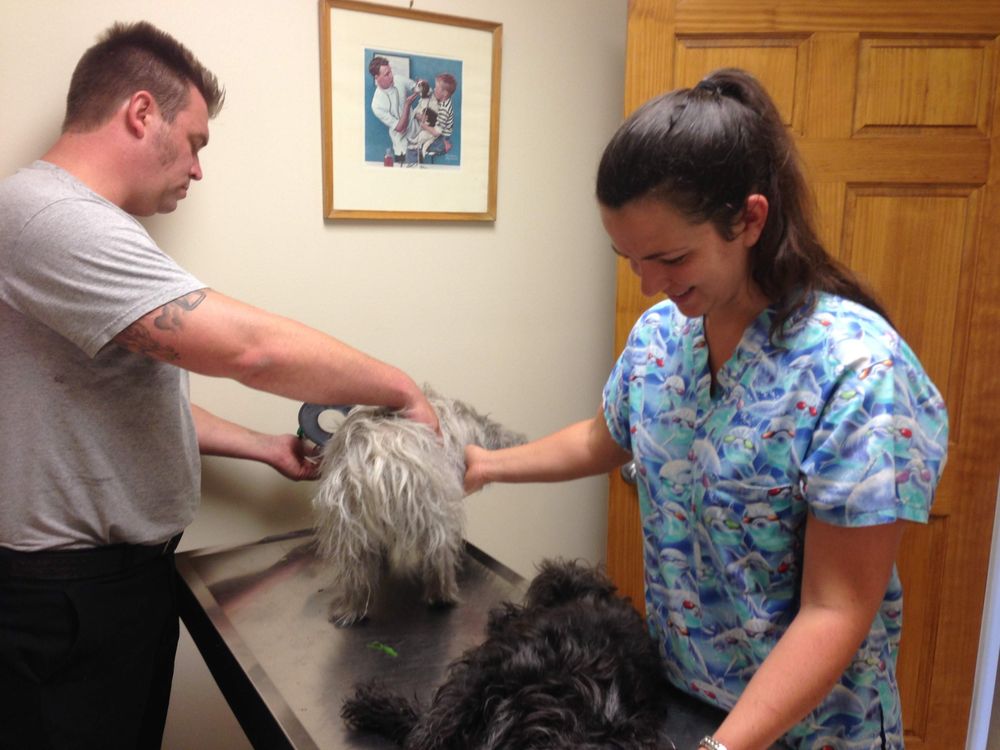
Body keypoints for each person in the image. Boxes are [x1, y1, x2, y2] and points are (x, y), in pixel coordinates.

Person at [464, 68, 947, 750]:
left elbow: (836, 609)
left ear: (749, 219)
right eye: (629, 258)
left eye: (670, 257)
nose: (648, 284)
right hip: (681, 706)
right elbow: (606, 438)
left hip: (811, 733)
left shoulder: (858, 373)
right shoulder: (661, 338)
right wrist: (486, 464)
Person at [0, 21, 438, 749]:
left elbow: (127, 399)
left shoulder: (82, 225)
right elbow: (250, 352)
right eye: (195, 141)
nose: (198, 170)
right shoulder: (49, 217)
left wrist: (263, 446)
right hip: (65, 603)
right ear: (142, 113)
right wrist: (401, 390)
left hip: (113, 588)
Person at [368, 55, 421, 164]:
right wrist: (407, 105)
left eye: (390, 71)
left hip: (419, 142)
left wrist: (421, 86)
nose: (392, 76)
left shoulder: (399, 79)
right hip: (403, 150)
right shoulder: (377, 104)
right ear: (377, 77)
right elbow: (400, 128)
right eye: (387, 74)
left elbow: (417, 88)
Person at [424, 72, 457, 156]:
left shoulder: (444, 110)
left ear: (444, 93)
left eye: (436, 88)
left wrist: (423, 126)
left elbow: (436, 133)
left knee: (422, 146)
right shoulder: (445, 99)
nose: (434, 89)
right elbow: (434, 95)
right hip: (441, 129)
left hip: (441, 137)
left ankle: (444, 145)